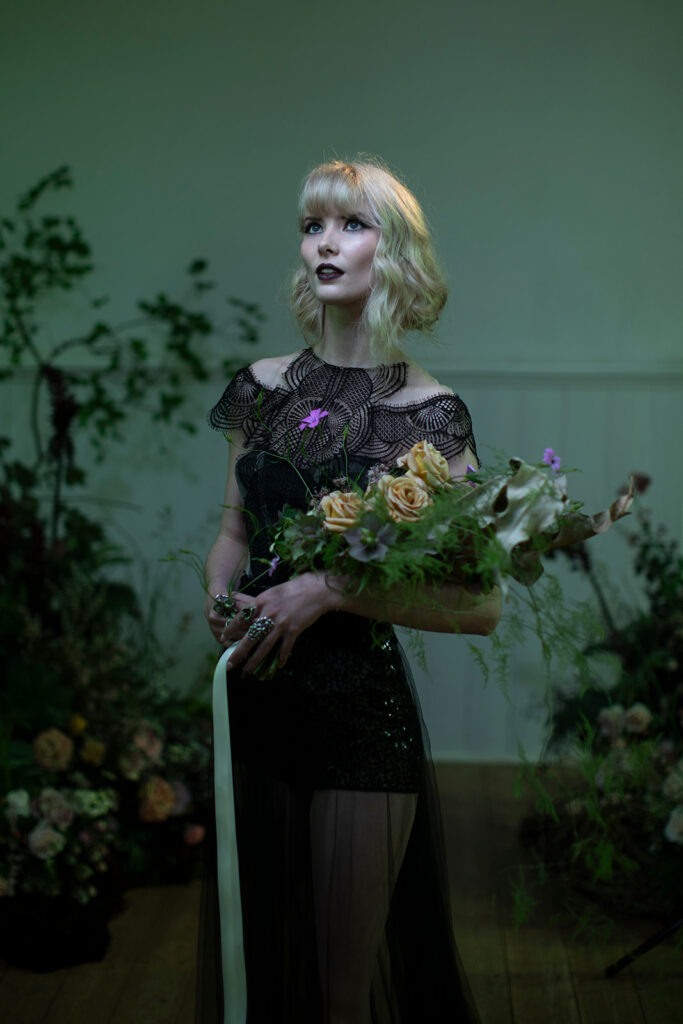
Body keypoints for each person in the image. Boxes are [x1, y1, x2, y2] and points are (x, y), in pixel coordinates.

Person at [197, 158, 501, 1024]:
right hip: (256, 703)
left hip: (358, 723)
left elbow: (481, 607)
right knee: (261, 975)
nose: (325, 243)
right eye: (311, 226)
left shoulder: (430, 416)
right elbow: (231, 533)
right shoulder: (258, 390)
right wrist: (219, 595)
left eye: (350, 224)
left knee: (337, 995)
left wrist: (331, 591)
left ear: (392, 250)